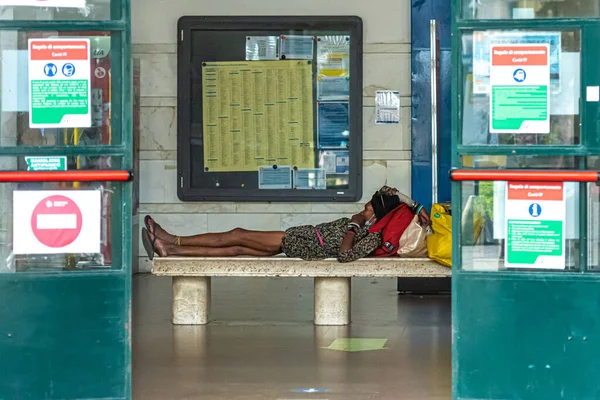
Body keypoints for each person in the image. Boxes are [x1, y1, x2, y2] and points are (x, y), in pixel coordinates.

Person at [141, 186, 430, 263]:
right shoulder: (374, 223)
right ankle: (170, 249)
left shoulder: (373, 235)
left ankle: (174, 239)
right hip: (305, 237)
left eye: (367, 207)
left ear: (376, 214)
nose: (362, 209)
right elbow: (391, 193)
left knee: (237, 234)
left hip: (301, 241)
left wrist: (355, 225)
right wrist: (416, 207)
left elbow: (345, 255)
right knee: (236, 250)